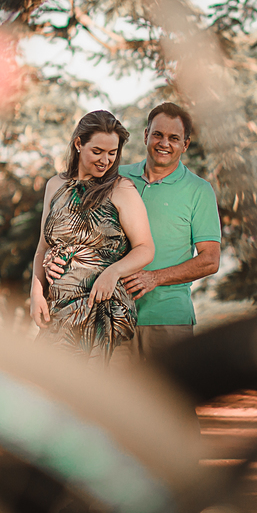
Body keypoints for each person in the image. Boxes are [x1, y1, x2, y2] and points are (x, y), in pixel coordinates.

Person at [30, 110, 154, 362]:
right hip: (59, 311)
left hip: (105, 312)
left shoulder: (122, 189)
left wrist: (113, 272)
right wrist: (36, 293)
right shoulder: (55, 185)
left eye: (112, 153)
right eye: (97, 151)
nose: (105, 160)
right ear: (78, 143)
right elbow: (43, 247)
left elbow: (145, 248)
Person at [110, 102, 222, 361]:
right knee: (107, 390)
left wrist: (155, 278)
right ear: (145, 135)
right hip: (112, 317)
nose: (164, 143)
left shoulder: (199, 190)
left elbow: (210, 260)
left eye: (174, 138)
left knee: (168, 390)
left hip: (168, 320)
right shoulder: (116, 178)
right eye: (158, 134)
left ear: (185, 144)